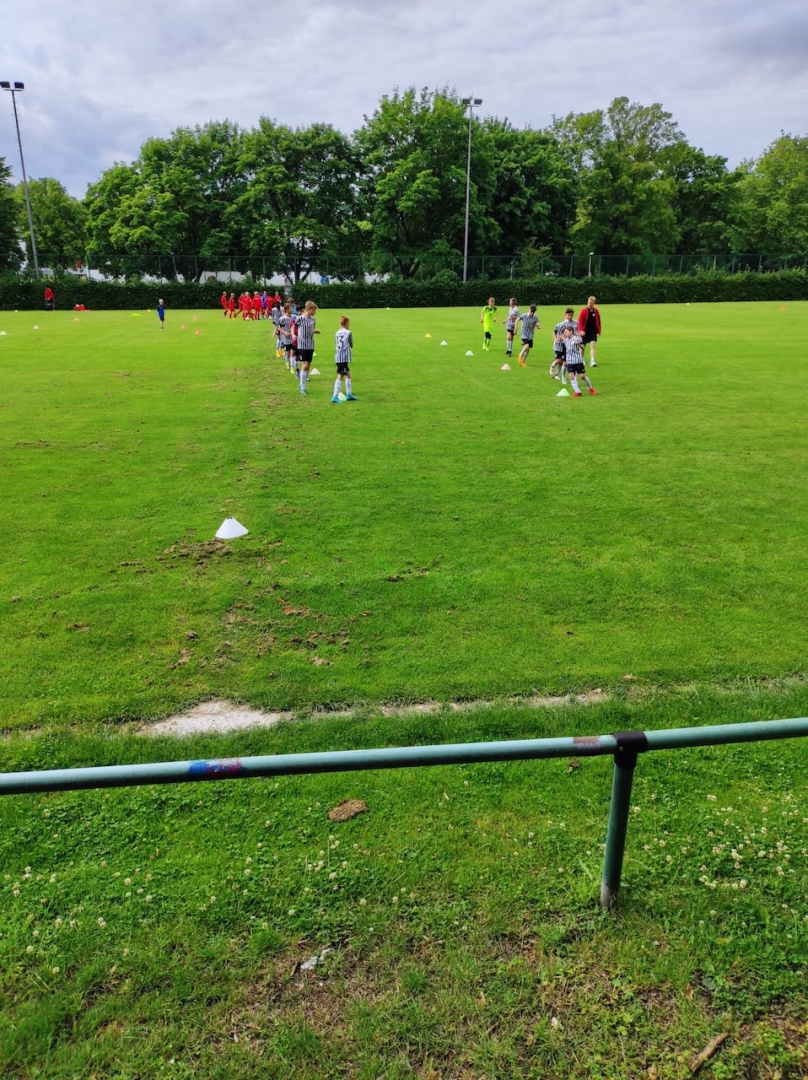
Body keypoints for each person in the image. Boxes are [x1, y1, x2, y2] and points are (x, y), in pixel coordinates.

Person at [294, 301, 320, 395]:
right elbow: (293, 327)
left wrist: (314, 331)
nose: (315, 312)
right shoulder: (299, 318)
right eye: (314, 310)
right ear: (308, 309)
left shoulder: (313, 319)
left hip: (310, 344)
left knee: (308, 366)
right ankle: (303, 388)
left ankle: (302, 382)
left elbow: (311, 330)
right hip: (302, 345)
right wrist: (293, 335)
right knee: (304, 365)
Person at [563, 327, 596, 396]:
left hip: (578, 361)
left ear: (571, 331)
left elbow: (583, 349)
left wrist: (579, 344)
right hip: (570, 361)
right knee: (571, 376)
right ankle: (578, 392)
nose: (565, 334)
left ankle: (590, 388)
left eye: (566, 332)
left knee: (582, 376)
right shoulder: (565, 340)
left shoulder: (576, 339)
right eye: (564, 332)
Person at [332, 316, 357, 402]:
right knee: (341, 375)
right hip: (344, 357)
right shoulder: (348, 332)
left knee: (349, 374)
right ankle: (335, 396)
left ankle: (349, 394)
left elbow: (336, 343)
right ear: (346, 323)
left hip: (338, 356)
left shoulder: (337, 332)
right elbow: (351, 344)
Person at [551, 307, 576, 382]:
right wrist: (556, 339)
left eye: (571, 315)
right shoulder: (562, 324)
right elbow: (555, 333)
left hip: (569, 346)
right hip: (560, 345)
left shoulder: (575, 323)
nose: (570, 317)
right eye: (569, 315)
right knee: (560, 360)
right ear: (565, 315)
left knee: (563, 361)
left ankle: (557, 375)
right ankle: (552, 368)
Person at [577, 296, 601, 367]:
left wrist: (599, 331)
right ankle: (581, 360)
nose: (589, 304)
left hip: (592, 331)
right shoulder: (584, 311)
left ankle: (592, 361)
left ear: (594, 303)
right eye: (589, 302)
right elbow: (580, 322)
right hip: (584, 331)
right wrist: (581, 330)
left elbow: (598, 321)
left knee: (593, 345)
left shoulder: (596, 311)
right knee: (582, 346)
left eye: (591, 303)